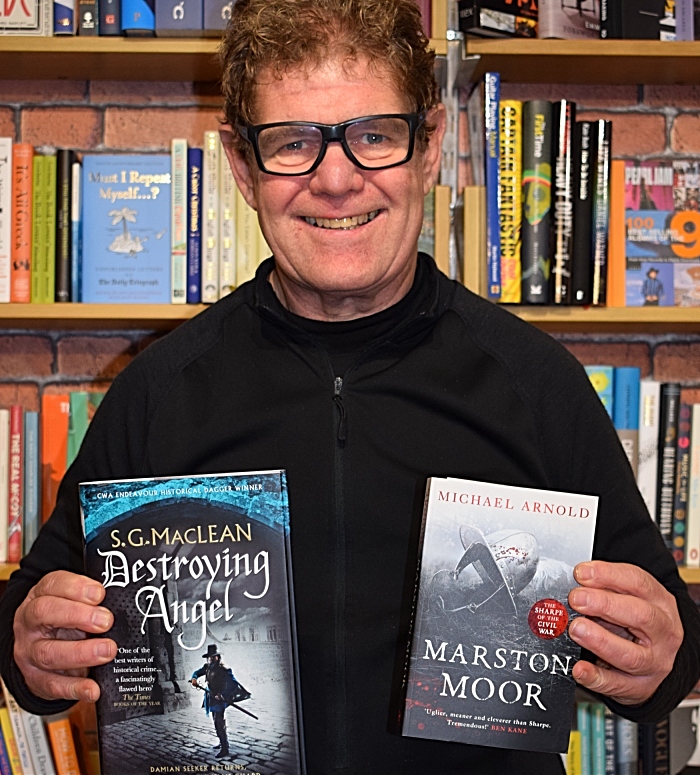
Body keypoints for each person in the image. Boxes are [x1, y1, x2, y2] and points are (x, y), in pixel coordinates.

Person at [0, 0, 698, 772]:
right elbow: (31, 634)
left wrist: (656, 654)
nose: (336, 179)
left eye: (373, 136)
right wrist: (32, 647)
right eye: (293, 142)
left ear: (429, 147)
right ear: (242, 167)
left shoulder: (539, 384)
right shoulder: (158, 392)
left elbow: (668, 653)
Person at [190, 645, 242, 759]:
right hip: (212, 698)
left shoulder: (224, 670)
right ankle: (221, 741)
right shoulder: (207, 667)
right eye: (209, 657)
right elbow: (197, 672)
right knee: (216, 721)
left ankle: (225, 748)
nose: (211, 659)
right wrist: (194, 678)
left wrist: (222, 694)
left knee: (219, 722)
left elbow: (233, 684)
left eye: (213, 657)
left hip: (220, 699)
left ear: (218, 657)